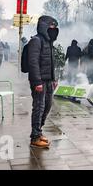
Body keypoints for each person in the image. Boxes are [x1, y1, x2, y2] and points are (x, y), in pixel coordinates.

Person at [27, 16, 59, 149]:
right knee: (39, 108)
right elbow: (33, 62)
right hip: (39, 81)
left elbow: (51, 63)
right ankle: (34, 137)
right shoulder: (36, 41)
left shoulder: (49, 42)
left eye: (55, 27)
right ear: (44, 27)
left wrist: (54, 79)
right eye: (51, 27)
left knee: (47, 106)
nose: (54, 30)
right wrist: (37, 82)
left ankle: (38, 131)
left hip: (48, 81)